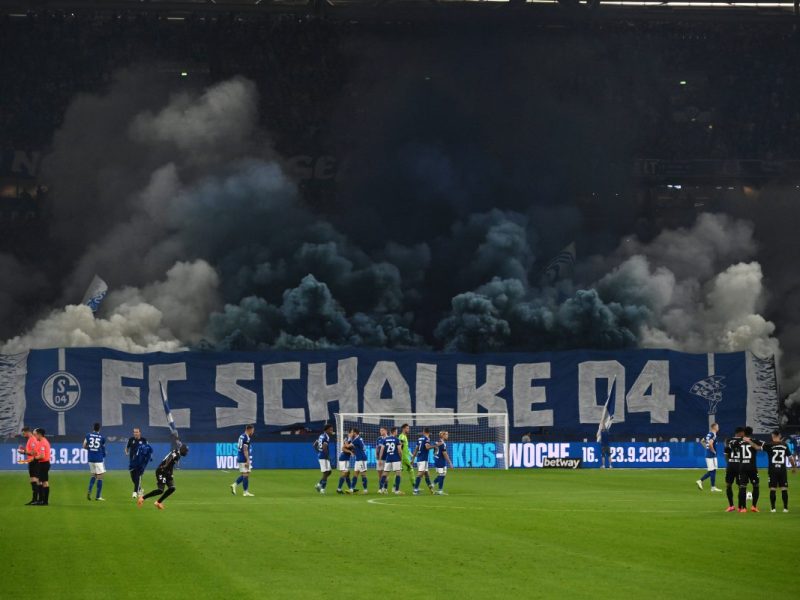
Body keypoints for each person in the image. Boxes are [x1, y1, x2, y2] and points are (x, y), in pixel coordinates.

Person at [137, 445, 189, 510]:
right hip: (161, 471)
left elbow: (171, 463)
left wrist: (171, 473)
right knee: (160, 490)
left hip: (168, 473)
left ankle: (158, 502)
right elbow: (170, 458)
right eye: (186, 451)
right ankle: (142, 498)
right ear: (182, 450)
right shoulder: (177, 454)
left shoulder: (177, 452)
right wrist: (165, 466)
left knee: (172, 488)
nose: (187, 453)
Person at [756, 430, 796, 513]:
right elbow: (790, 458)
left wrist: (750, 441)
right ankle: (785, 508)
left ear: (773, 435)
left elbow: (757, 448)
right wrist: (793, 467)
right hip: (782, 469)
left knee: (773, 488)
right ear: (779, 435)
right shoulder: (784, 445)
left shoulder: (769, 445)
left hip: (773, 469)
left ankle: (773, 508)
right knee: (784, 488)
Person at [738, 426, 761, 512]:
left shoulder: (739, 441)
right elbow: (759, 447)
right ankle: (754, 506)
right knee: (756, 486)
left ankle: (743, 508)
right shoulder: (754, 441)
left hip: (743, 466)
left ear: (744, 432)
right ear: (751, 433)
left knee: (743, 487)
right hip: (752, 467)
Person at [83, 422, 107, 501]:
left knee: (93, 475)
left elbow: (84, 446)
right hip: (98, 459)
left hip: (90, 459)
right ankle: (98, 496)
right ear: (99, 428)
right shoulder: (102, 437)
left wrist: (90, 448)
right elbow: (103, 448)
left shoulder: (88, 435)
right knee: (100, 477)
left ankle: (89, 490)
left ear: (93, 428)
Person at [696, 422, 722, 492]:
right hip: (711, 455)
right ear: (714, 427)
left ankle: (712, 487)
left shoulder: (709, 434)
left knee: (712, 471)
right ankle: (701, 481)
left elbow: (702, 441)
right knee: (712, 471)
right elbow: (710, 444)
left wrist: (707, 448)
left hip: (708, 454)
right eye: (717, 426)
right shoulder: (713, 435)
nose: (718, 428)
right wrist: (713, 451)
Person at [723, 427, 744, 512]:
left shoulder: (728, 440)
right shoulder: (744, 441)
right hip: (740, 465)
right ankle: (739, 507)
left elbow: (726, 455)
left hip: (731, 465)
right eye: (743, 432)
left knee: (728, 485)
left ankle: (731, 506)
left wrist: (728, 464)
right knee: (741, 486)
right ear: (740, 433)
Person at [231, 424, 255, 497]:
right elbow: (245, 450)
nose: (253, 432)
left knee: (246, 474)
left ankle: (238, 487)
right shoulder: (247, 438)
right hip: (243, 457)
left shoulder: (241, 436)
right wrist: (247, 460)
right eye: (253, 430)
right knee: (245, 474)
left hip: (240, 456)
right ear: (249, 430)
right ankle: (244, 491)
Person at [18, 426, 40, 505]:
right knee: (35, 481)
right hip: (32, 461)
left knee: (34, 480)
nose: (23, 435)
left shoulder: (32, 439)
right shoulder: (30, 439)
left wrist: (23, 452)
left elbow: (34, 453)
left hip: (34, 461)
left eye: (24, 433)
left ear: (27, 432)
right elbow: (30, 451)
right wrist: (24, 449)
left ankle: (35, 500)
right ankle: (36, 499)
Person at [380, 426, 404, 495]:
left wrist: (380, 459)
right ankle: (396, 490)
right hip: (396, 459)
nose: (397, 432)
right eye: (396, 431)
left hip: (388, 458)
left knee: (385, 474)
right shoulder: (397, 440)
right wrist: (401, 458)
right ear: (394, 432)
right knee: (398, 473)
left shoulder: (385, 439)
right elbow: (399, 450)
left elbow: (382, 450)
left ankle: (382, 489)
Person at [125, 427, 147, 498]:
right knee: (133, 478)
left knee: (137, 476)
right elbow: (127, 448)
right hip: (132, 462)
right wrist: (126, 452)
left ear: (140, 432)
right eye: (134, 432)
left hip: (140, 462)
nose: (135, 433)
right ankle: (140, 490)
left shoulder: (144, 440)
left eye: (137, 432)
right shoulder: (131, 440)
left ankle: (135, 492)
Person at [412, 427, 435, 495]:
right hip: (423, 459)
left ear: (423, 432)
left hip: (419, 458)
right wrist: (435, 446)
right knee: (420, 474)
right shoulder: (427, 439)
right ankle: (415, 490)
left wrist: (413, 459)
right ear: (428, 432)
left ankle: (431, 489)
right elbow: (427, 447)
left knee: (426, 474)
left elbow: (416, 449)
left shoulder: (419, 439)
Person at [314, 424, 334, 495]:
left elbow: (314, 445)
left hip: (321, 456)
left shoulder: (321, 436)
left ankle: (319, 485)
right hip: (324, 457)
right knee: (325, 473)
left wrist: (319, 452)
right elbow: (324, 447)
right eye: (331, 429)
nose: (332, 431)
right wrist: (327, 456)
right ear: (327, 430)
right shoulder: (326, 437)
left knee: (329, 472)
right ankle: (322, 489)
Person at [33, 428, 51, 506]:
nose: (35, 436)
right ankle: (41, 500)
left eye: (35, 434)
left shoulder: (42, 442)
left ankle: (45, 501)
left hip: (43, 464)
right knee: (40, 481)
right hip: (43, 464)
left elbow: (42, 456)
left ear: (39, 434)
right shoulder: (44, 441)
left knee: (44, 482)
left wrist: (34, 458)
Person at [433, 431, 454, 495]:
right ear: (443, 436)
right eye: (446, 434)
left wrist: (435, 457)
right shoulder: (442, 443)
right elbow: (445, 454)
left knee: (442, 474)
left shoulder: (437, 442)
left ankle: (432, 484)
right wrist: (450, 463)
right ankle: (440, 491)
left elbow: (434, 452)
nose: (447, 436)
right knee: (442, 475)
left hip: (437, 460)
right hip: (440, 461)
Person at [348, 428, 368, 494]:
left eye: (352, 432)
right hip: (358, 458)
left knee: (363, 474)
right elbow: (362, 447)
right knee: (355, 473)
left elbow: (348, 446)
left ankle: (365, 490)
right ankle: (351, 489)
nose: (351, 433)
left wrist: (347, 440)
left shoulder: (356, 439)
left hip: (361, 458)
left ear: (355, 433)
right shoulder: (358, 439)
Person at [375, 427, 388, 494]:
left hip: (386, 459)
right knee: (380, 474)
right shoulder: (379, 439)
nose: (381, 432)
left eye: (382, 430)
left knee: (385, 474)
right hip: (379, 459)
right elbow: (377, 448)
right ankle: (380, 488)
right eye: (380, 430)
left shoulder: (389, 439)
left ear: (386, 431)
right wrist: (376, 455)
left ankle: (385, 488)